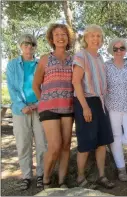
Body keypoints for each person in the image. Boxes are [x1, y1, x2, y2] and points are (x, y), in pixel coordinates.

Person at [72, 24, 115, 189]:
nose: (96, 39)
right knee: (85, 143)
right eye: (92, 35)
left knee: (102, 142)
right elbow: (76, 82)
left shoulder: (99, 58)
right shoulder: (81, 55)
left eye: (99, 36)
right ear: (86, 38)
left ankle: (101, 176)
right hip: (86, 102)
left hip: (100, 103)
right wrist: (85, 108)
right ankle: (80, 178)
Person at [33, 23, 75, 188]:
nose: (60, 37)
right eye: (57, 34)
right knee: (55, 145)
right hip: (49, 108)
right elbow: (36, 85)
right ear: (52, 39)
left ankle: (62, 180)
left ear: (68, 38)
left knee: (66, 146)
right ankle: (46, 178)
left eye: (64, 34)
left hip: (68, 107)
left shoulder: (74, 59)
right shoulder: (45, 58)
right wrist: (43, 101)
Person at [6, 34, 47, 190]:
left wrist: (38, 103)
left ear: (35, 46)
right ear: (20, 46)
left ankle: (41, 175)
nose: (28, 46)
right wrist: (22, 105)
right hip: (20, 110)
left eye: (31, 44)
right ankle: (26, 175)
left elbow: (45, 85)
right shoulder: (12, 65)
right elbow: (12, 88)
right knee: (23, 144)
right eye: (25, 44)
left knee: (42, 143)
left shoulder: (41, 64)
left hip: (40, 107)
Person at [105, 38, 127, 181]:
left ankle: (113, 145)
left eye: (122, 48)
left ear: (125, 50)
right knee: (116, 137)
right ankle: (121, 168)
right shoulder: (106, 66)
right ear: (112, 50)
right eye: (115, 49)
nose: (118, 51)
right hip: (112, 107)